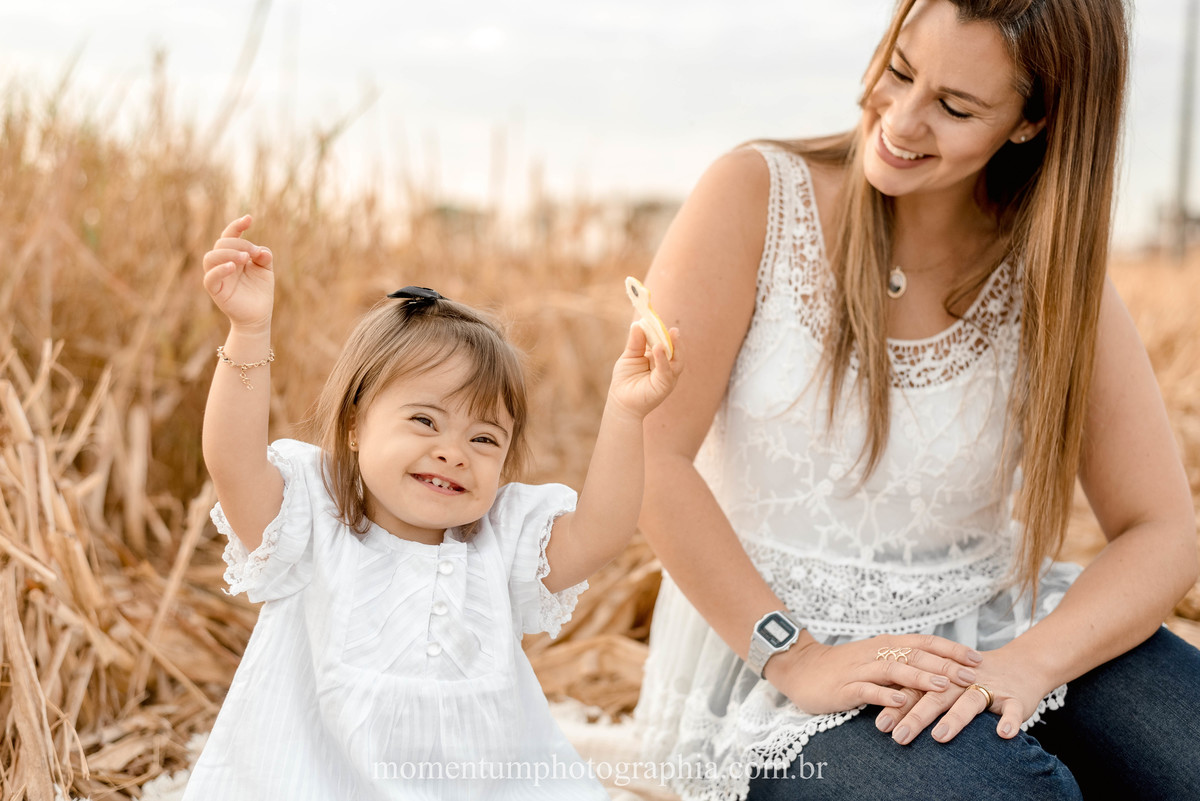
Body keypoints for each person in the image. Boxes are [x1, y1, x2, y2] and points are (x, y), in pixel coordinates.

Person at [632, 0, 1200, 799]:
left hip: (994, 630)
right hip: (780, 658)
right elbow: (648, 459)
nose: (899, 118)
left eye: (955, 107)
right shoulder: (756, 194)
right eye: (899, 69)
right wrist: (801, 658)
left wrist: (1027, 663)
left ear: (1032, 122)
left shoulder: (1050, 266)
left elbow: (1164, 530)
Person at [183, 215, 681, 799]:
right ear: (352, 426)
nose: (453, 454)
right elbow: (232, 460)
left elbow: (601, 531)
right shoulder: (310, 519)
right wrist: (249, 329)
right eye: (424, 421)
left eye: (485, 439)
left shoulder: (502, 540)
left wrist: (626, 411)